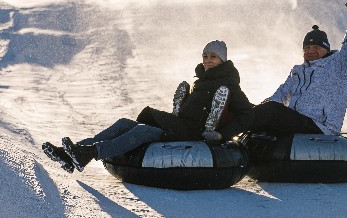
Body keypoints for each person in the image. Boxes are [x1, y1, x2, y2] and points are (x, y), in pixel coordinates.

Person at [43, 40, 252, 172]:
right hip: (180, 126)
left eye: (213, 57)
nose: (207, 61)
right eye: (205, 56)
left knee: (144, 131)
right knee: (124, 123)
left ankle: (88, 154)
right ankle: (71, 153)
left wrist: (222, 134)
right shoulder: (201, 81)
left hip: (194, 134)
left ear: (222, 60)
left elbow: (246, 112)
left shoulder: (229, 84)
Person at [204, 0, 347, 143]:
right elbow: (280, 94)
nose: (310, 51)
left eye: (316, 47)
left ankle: (222, 135)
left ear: (326, 49)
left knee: (272, 111)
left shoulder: (338, 65)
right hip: (295, 122)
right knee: (259, 109)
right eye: (307, 48)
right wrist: (255, 110)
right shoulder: (298, 72)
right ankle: (216, 122)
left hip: (320, 125)